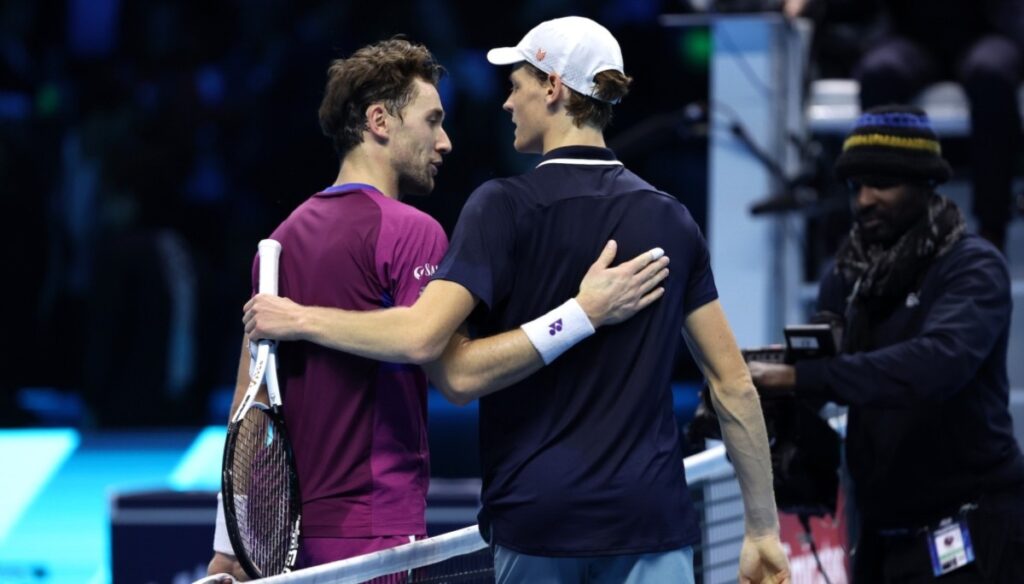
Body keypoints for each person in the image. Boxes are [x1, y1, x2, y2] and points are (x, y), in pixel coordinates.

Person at [244, 17, 789, 584]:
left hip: (536, 526)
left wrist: (299, 318)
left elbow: (449, 371)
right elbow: (732, 386)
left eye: (518, 83)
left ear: (553, 88)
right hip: (648, 522)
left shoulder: (499, 207)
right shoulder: (670, 219)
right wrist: (762, 530)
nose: (507, 102)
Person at [207, 38, 670, 578]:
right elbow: (446, 363)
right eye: (432, 120)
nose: (445, 141)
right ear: (380, 120)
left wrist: (230, 548)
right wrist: (582, 314)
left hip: (293, 548)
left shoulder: (278, 241)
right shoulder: (411, 232)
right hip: (378, 538)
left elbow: (248, 404)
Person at [750, 105, 1024, 583]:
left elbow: (935, 365)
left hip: (972, 530)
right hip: (880, 533)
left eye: (883, 183)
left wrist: (803, 375)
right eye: (857, 186)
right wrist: (768, 386)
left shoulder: (972, 268)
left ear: (925, 185)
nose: (865, 200)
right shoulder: (850, 272)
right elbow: (827, 363)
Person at [785, 0, 1023, 251]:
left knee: (990, 75)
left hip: (989, 32)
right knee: (879, 73)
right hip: (914, 36)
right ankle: (887, 230)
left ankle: (992, 230)